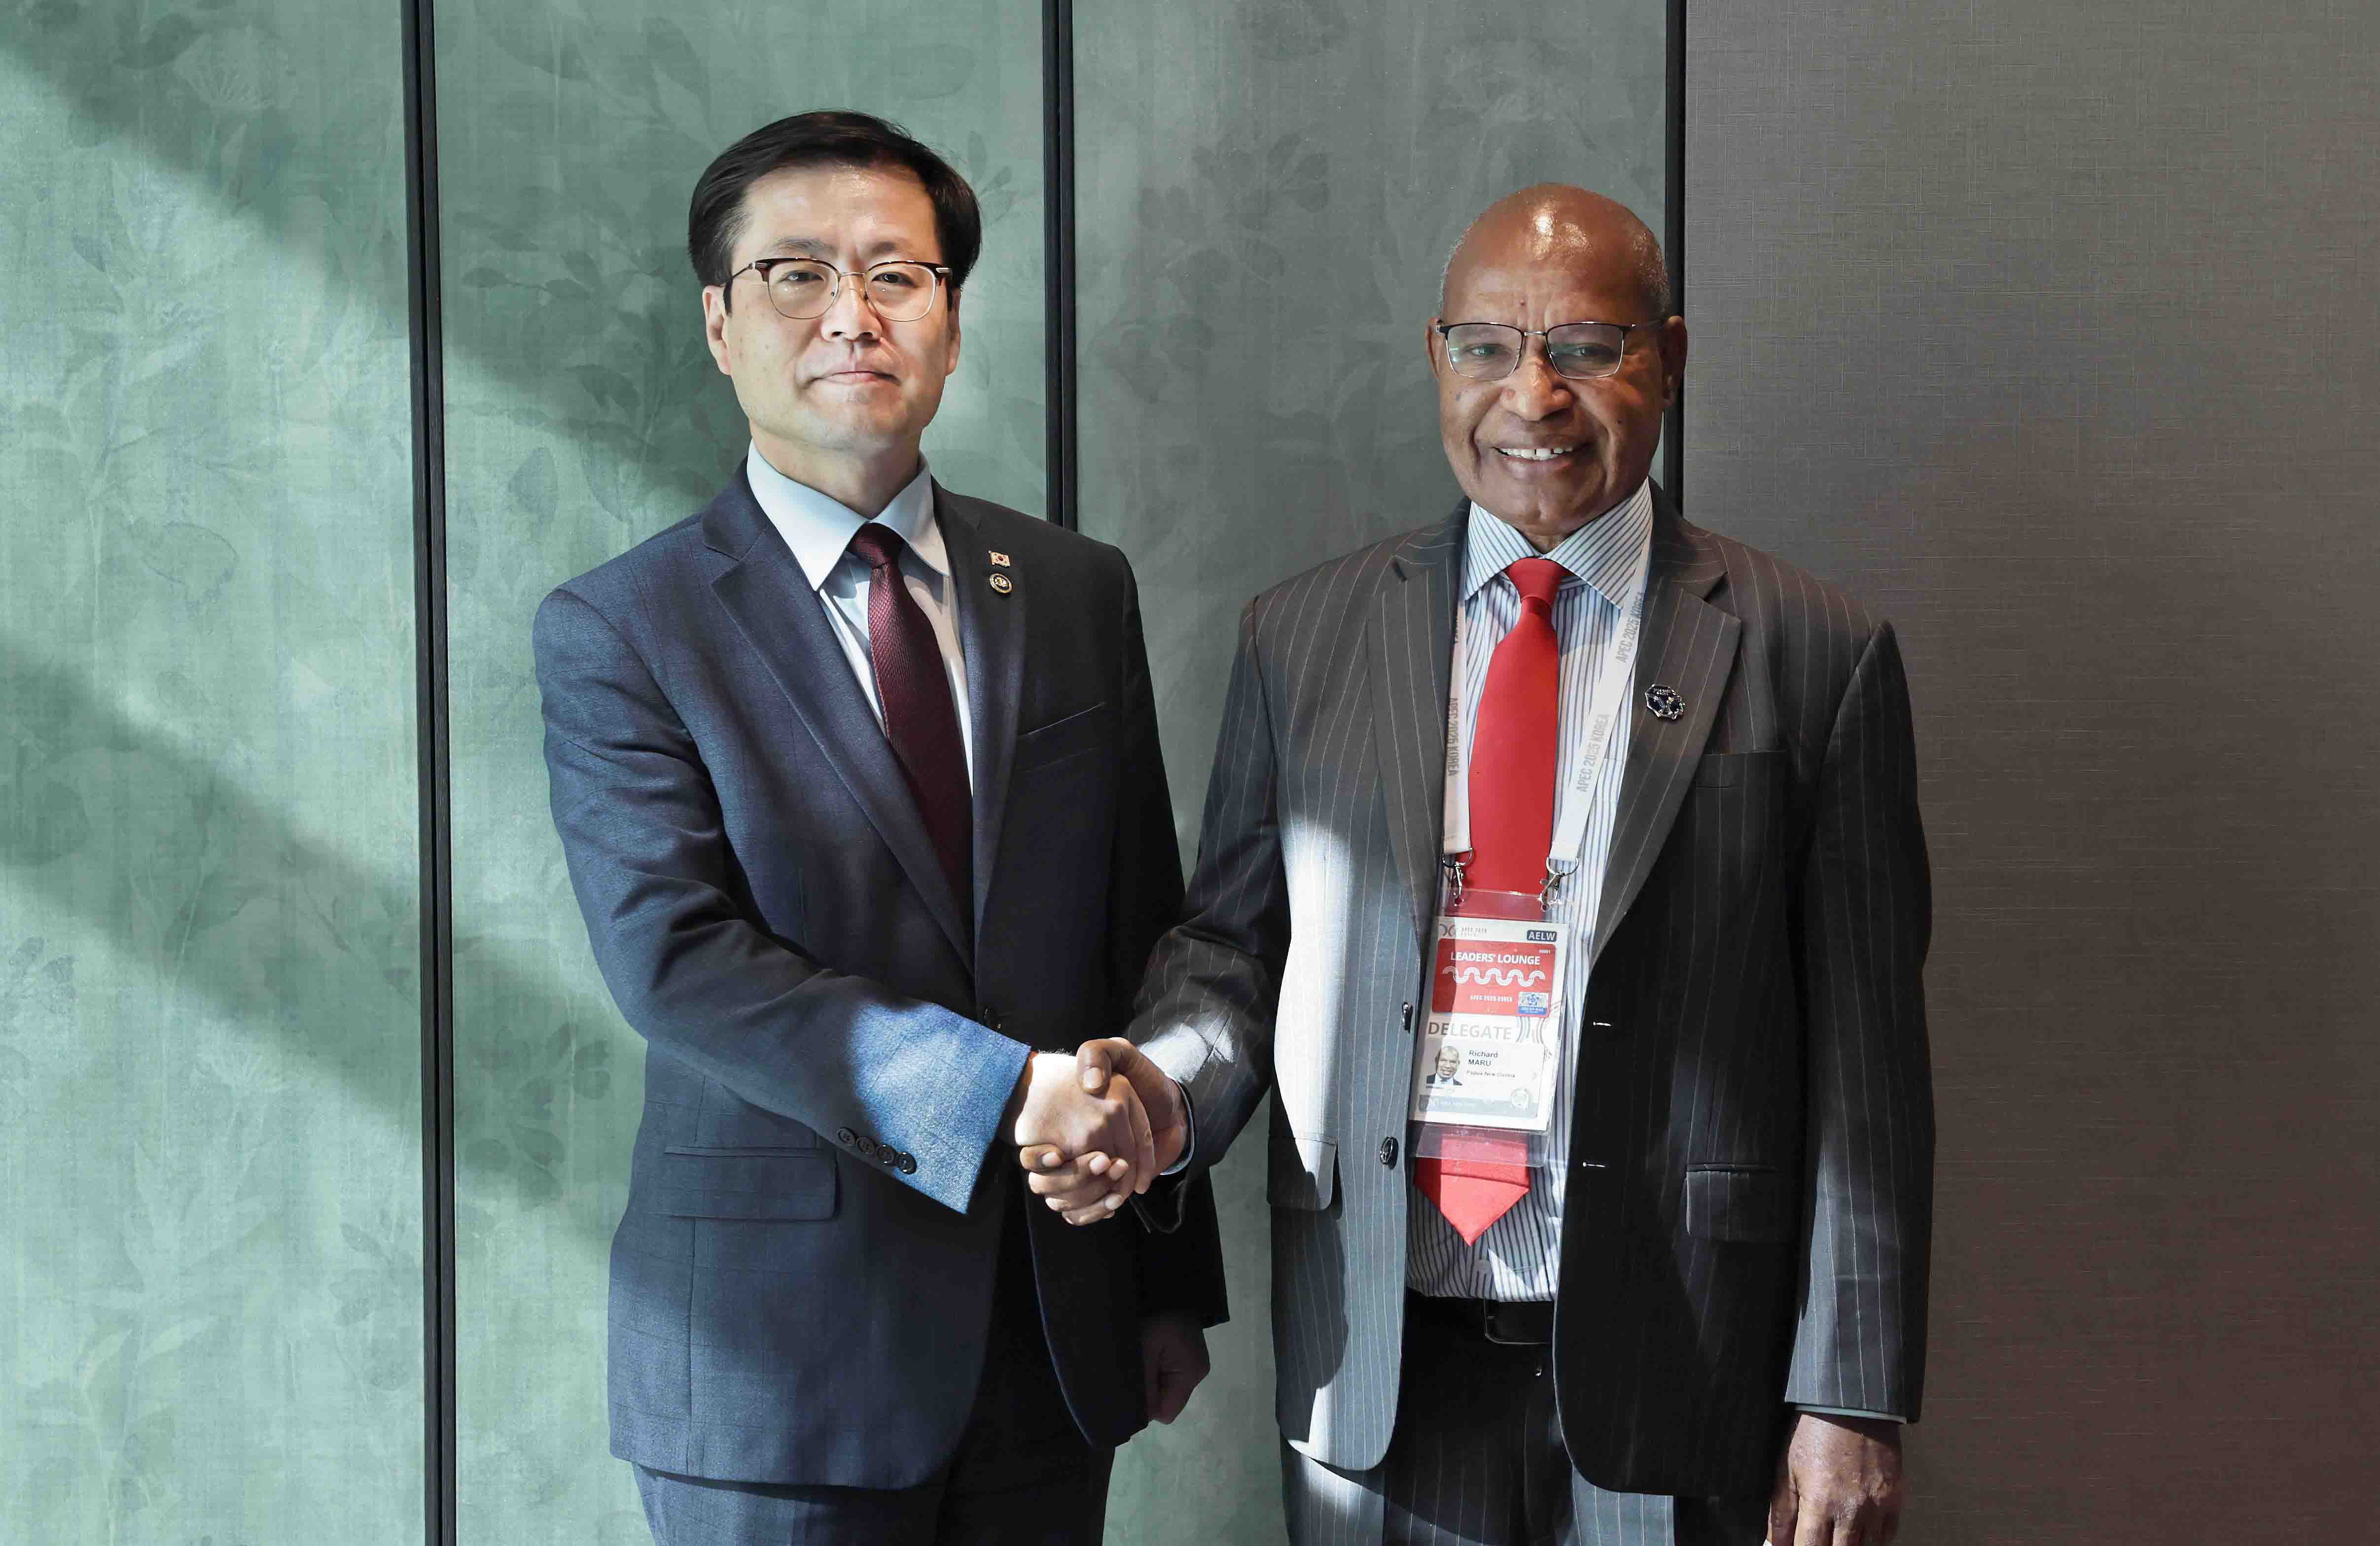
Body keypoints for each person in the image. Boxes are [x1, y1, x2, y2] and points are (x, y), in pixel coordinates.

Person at [1034, 185, 1932, 1546]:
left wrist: (1851, 1394)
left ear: (1669, 361)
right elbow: (1231, 952)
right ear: (1435, 357)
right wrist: (1161, 1088)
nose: (1532, 396)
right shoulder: (1305, 636)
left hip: (1689, 1360)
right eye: (1485, 348)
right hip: (1383, 1364)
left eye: (1584, 348)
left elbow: (1869, 1062)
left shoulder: (1813, 651)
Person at [533, 110, 1225, 1546]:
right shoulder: (627, 627)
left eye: (896, 275)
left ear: (951, 326)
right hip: (777, 1368)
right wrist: (1007, 1095)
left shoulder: (1075, 589)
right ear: (720, 325)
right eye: (797, 275)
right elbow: (678, 962)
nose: (852, 314)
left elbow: (1140, 929)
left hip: (1052, 1335)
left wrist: (1163, 1278)